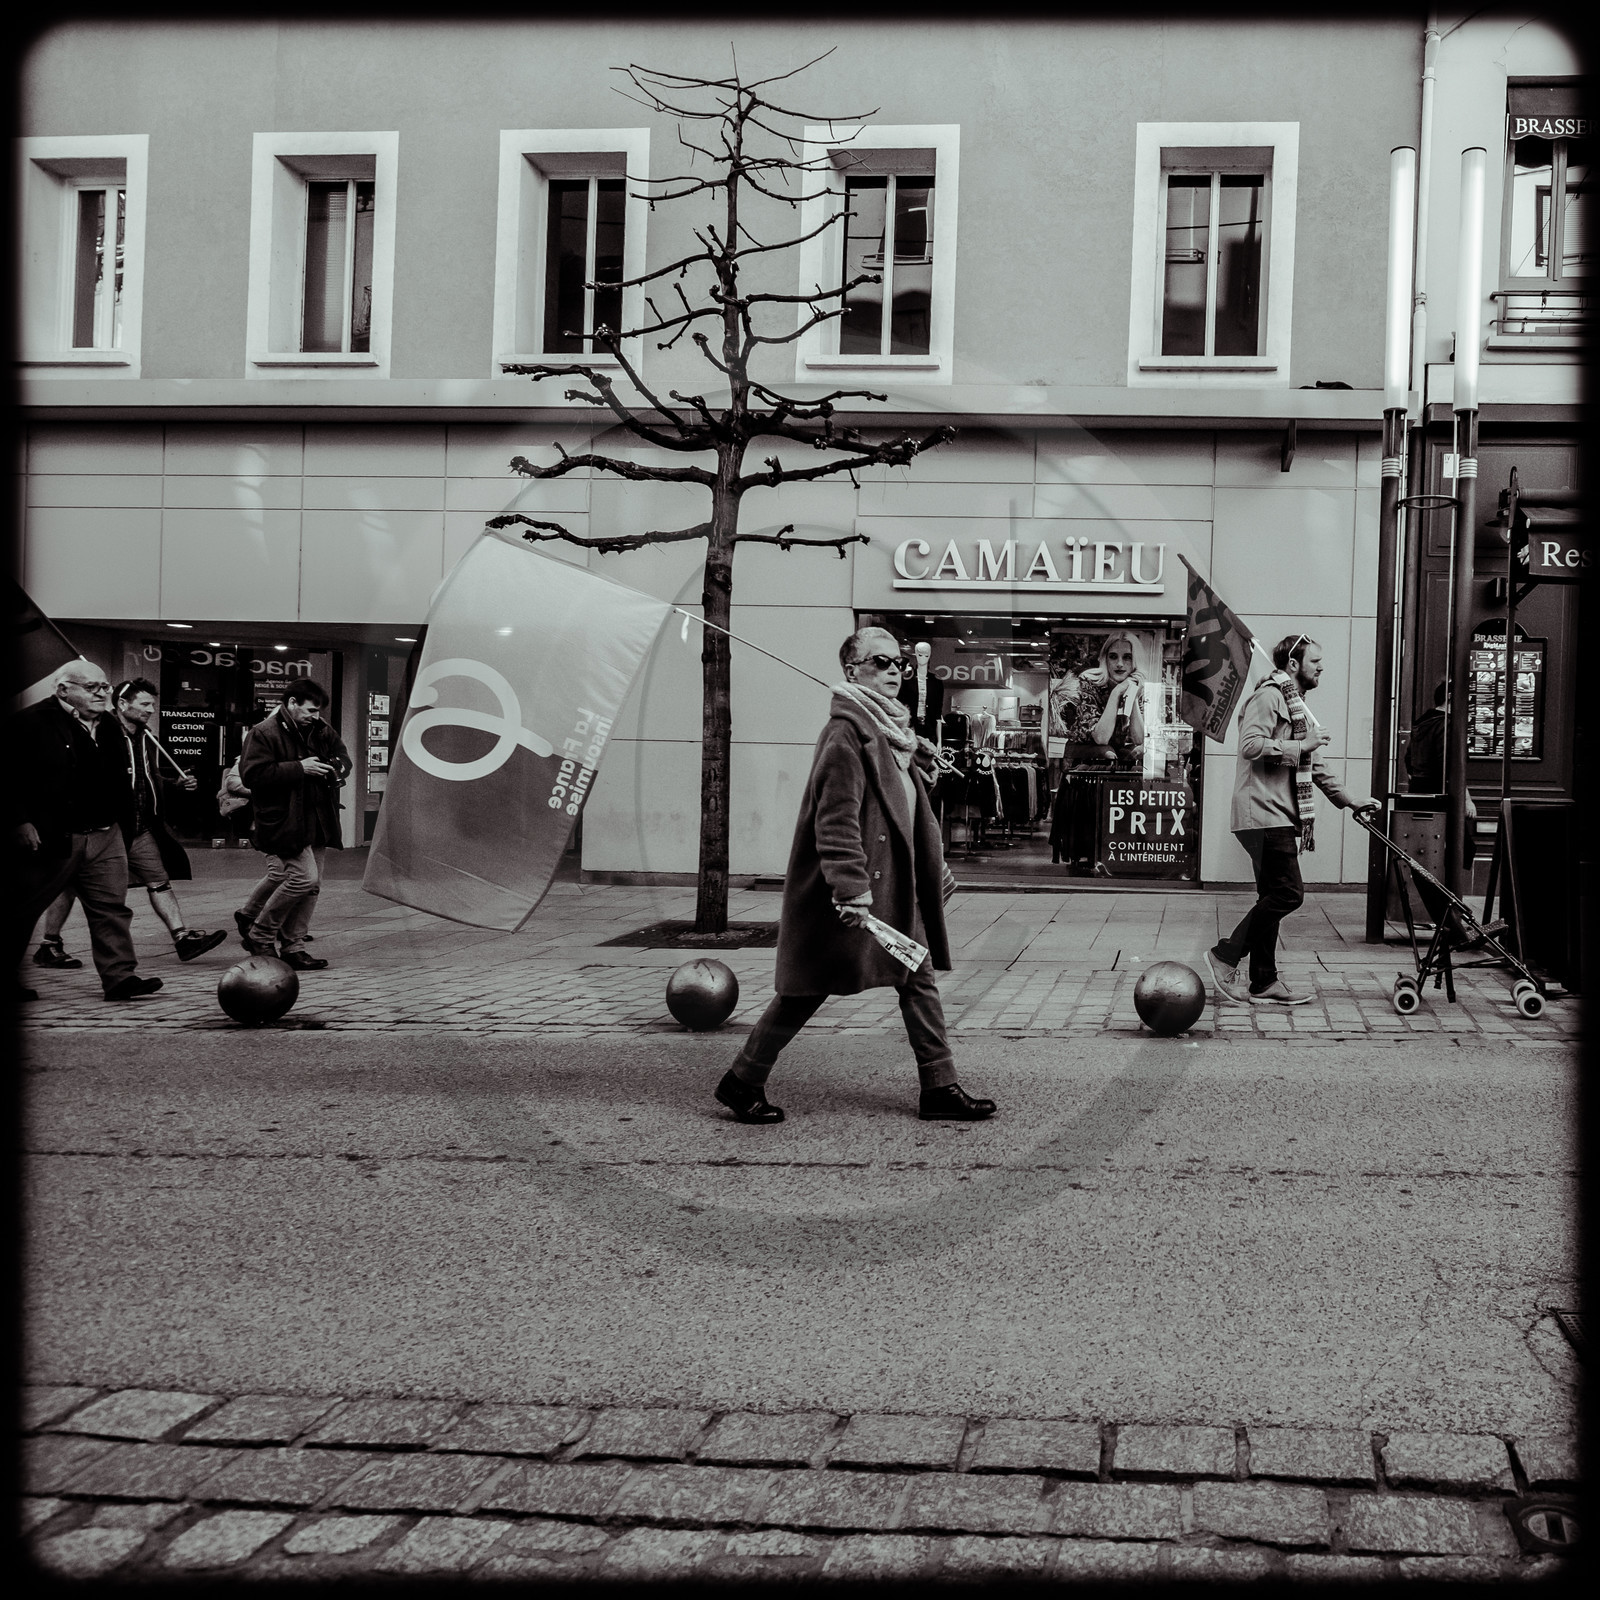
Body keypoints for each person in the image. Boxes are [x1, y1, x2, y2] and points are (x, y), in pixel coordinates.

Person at [713, 626, 996, 1125]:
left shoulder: (889, 731)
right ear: (852, 669)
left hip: (891, 888)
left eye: (899, 664)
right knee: (806, 989)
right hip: (855, 893)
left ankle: (939, 1085)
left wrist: (914, 761)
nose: (894, 671)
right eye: (880, 662)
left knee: (917, 978)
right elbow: (836, 817)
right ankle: (743, 1079)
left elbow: (902, 811)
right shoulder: (846, 731)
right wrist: (850, 889)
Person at [1205, 634, 1378, 1006]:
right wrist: (1303, 746)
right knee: (1288, 894)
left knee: (1272, 896)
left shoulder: (1296, 707)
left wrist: (1352, 802)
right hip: (1261, 813)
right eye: (1315, 661)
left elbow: (1314, 766)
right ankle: (1225, 955)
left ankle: (1264, 981)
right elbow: (1250, 745)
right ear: (1294, 665)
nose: (1322, 668)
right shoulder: (1269, 696)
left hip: (1276, 814)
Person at [35, 679, 229, 967]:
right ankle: (50, 944)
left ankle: (182, 938)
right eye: (144, 704)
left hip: (140, 826)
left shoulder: (144, 736)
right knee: (70, 883)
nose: (150, 710)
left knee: (159, 880)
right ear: (122, 705)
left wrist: (175, 785)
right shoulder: (102, 734)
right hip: (107, 827)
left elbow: (145, 779)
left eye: (152, 704)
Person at [6, 661, 161, 1002]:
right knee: (24, 908)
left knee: (111, 908)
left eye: (105, 686)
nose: (103, 693)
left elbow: (121, 777)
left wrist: (126, 824)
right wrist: (20, 820)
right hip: (53, 834)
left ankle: (120, 978)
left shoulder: (107, 724)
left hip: (105, 832)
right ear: (64, 690)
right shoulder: (32, 722)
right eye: (93, 688)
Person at [235, 681, 351, 971]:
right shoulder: (263, 732)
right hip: (284, 820)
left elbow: (343, 756)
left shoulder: (321, 728)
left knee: (312, 887)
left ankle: (293, 947)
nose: (315, 716)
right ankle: (260, 934)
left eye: (318, 711)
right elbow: (252, 775)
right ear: (292, 703)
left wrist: (335, 767)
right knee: (303, 879)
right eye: (310, 710)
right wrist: (301, 768)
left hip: (318, 817)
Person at [1063, 633, 1145, 755]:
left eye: (1127, 657)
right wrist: (1116, 692)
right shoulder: (1088, 681)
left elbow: (1139, 739)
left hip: (1114, 750)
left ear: (1136, 660)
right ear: (1105, 659)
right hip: (1084, 750)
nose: (1120, 664)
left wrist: (1132, 693)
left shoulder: (1137, 684)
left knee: (1138, 751)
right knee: (1107, 753)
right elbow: (1101, 738)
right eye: (1113, 657)